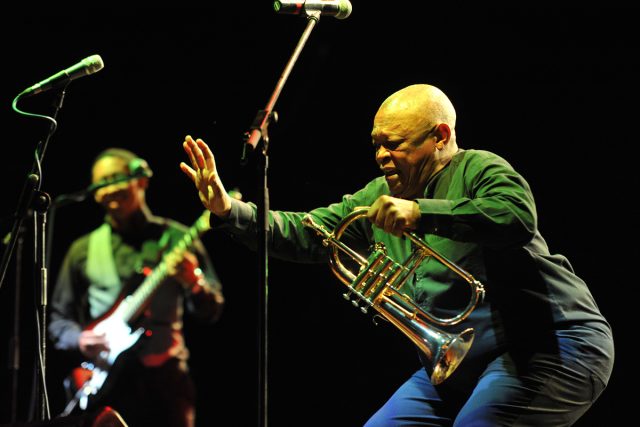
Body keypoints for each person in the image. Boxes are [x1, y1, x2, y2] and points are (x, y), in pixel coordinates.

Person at [179, 83, 614, 426]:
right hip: (458, 362)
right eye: (376, 143)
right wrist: (228, 210)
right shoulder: (378, 194)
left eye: (396, 143)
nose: (382, 155)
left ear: (441, 136)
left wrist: (420, 213)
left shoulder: (480, 168)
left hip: (549, 344)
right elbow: (310, 231)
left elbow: (515, 217)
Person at [48, 147, 225, 427]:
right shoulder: (81, 250)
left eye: (114, 179)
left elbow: (212, 310)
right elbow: (58, 321)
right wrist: (80, 339)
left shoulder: (177, 238)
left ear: (141, 179)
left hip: (168, 383)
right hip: (107, 386)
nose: (107, 191)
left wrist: (195, 283)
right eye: (99, 185)